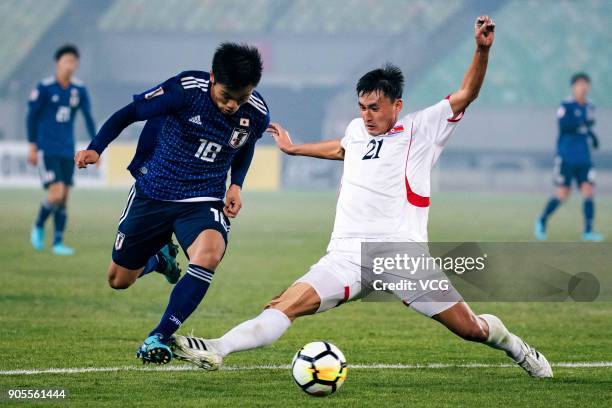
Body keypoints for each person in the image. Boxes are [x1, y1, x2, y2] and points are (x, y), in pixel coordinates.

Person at [172, 17, 553, 378]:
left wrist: (482, 50)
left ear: (396, 105)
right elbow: (342, 148)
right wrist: (294, 149)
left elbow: (467, 93)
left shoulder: (421, 128)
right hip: (345, 255)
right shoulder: (357, 131)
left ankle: (517, 347)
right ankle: (216, 347)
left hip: (402, 254)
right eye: (362, 107)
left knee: (470, 329)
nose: (367, 115)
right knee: (284, 304)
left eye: (375, 108)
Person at [74, 43, 270, 364]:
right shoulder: (184, 90)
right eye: (226, 96)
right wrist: (96, 148)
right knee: (118, 280)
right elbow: (129, 113)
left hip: (203, 197)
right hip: (154, 192)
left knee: (209, 254)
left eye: (242, 97)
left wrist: (236, 184)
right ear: (211, 79)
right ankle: (159, 260)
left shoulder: (256, 113)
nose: (233, 105)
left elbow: (244, 143)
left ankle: (160, 335)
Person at [27, 44, 96, 255]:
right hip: (47, 148)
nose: (70, 65)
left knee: (64, 196)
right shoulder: (44, 87)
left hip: (68, 149)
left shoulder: (79, 89)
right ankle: (38, 225)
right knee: (56, 193)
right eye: (67, 60)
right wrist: (32, 144)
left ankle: (57, 242)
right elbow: (31, 116)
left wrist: (95, 147)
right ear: (58, 62)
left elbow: (88, 117)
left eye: (74, 61)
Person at [535, 73, 603, 241]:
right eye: (579, 84)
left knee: (588, 191)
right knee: (563, 194)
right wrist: (583, 123)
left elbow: (587, 127)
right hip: (566, 156)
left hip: (584, 158)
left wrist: (592, 137)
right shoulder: (566, 105)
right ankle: (542, 220)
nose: (583, 87)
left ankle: (588, 231)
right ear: (573, 87)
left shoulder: (590, 107)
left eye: (585, 84)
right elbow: (564, 126)